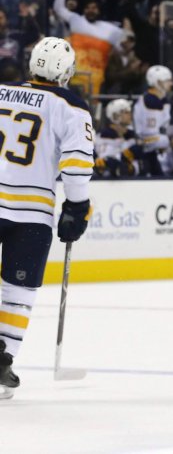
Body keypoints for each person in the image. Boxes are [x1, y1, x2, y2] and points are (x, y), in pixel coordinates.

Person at [0, 37, 95, 399]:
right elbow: (76, 164)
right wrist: (76, 206)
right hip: (32, 212)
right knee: (18, 291)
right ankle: (2, 362)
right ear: (65, 72)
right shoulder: (70, 106)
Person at [132, 65, 173, 176]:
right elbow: (148, 139)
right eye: (168, 80)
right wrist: (172, 142)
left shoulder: (162, 100)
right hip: (145, 155)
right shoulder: (151, 101)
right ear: (158, 82)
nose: (171, 84)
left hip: (156, 151)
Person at [95, 98, 141, 178]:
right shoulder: (104, 136)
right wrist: (122, 158)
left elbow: (136, 167)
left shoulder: (131, 136)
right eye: (126, 112)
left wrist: (131, 168)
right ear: (116, 116)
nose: (130, 115)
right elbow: (106, 166)